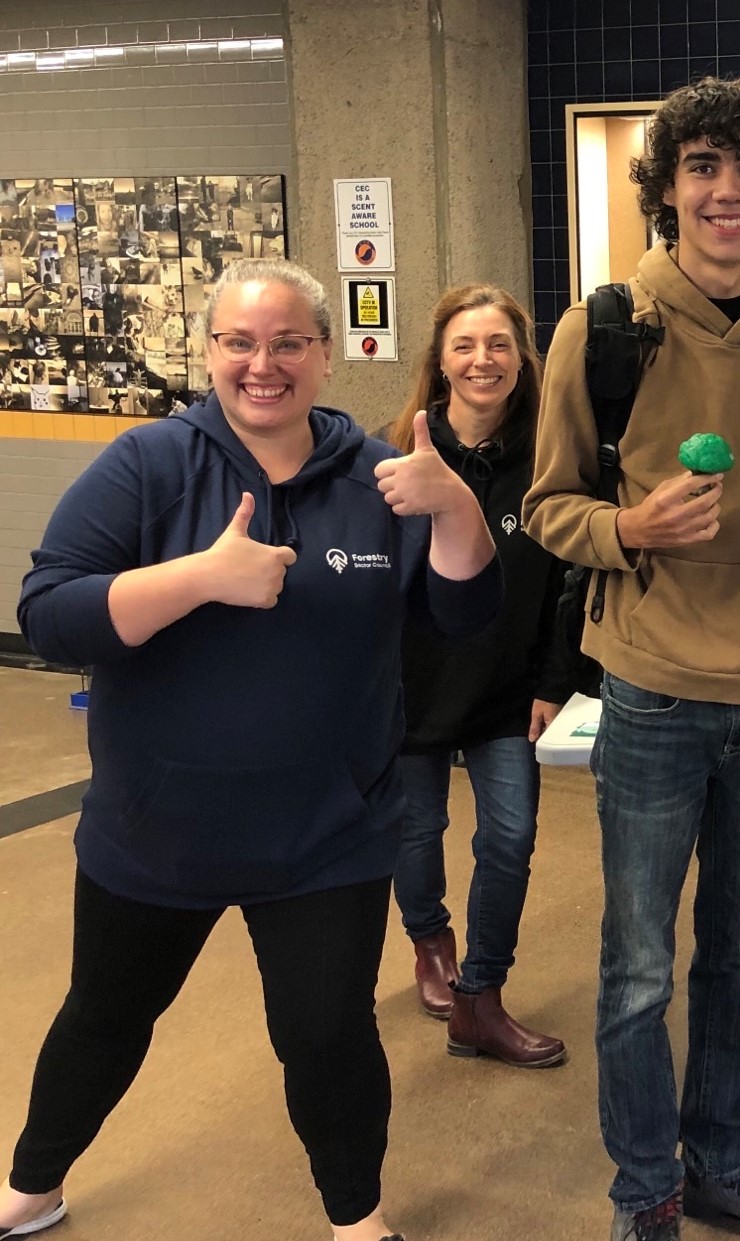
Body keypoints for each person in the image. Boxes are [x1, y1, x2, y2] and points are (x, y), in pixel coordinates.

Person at [4, 258, 499, 1241]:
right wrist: (196, 577)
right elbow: (49, 614)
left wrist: (455, 507)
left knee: (325, 1035)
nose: (260, 363)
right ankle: (32, 1183)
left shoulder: (378, 474)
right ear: (210, 351)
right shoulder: (148, 462)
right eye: (238, 340)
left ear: (325, 354)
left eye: (286, 342)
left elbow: (463, 612)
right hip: (155, 828)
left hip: (327, 833)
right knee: (103, 1018)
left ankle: (356, 1215)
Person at [523, 76, 740, 1241]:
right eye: (701, 169)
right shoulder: (607, 324)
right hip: (652, 689)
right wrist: (629, 528)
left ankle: (723, 1160)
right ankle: (647, 1194)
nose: (727, 191)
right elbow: (547, 506)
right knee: (635, 966)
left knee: (737, 949)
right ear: (667, 190)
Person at [382, 285, 569, 1069]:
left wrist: (555, 684)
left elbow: (569, 582)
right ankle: (430, 938)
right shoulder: (397, 460)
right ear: (440, 362)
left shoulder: (552, 463)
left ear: (523, 361)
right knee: (417, 831)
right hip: (413, 690)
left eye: (498, 344)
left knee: (511, 838)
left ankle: (480, 996)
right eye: (465, 345)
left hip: (507, 692)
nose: (481, 360)